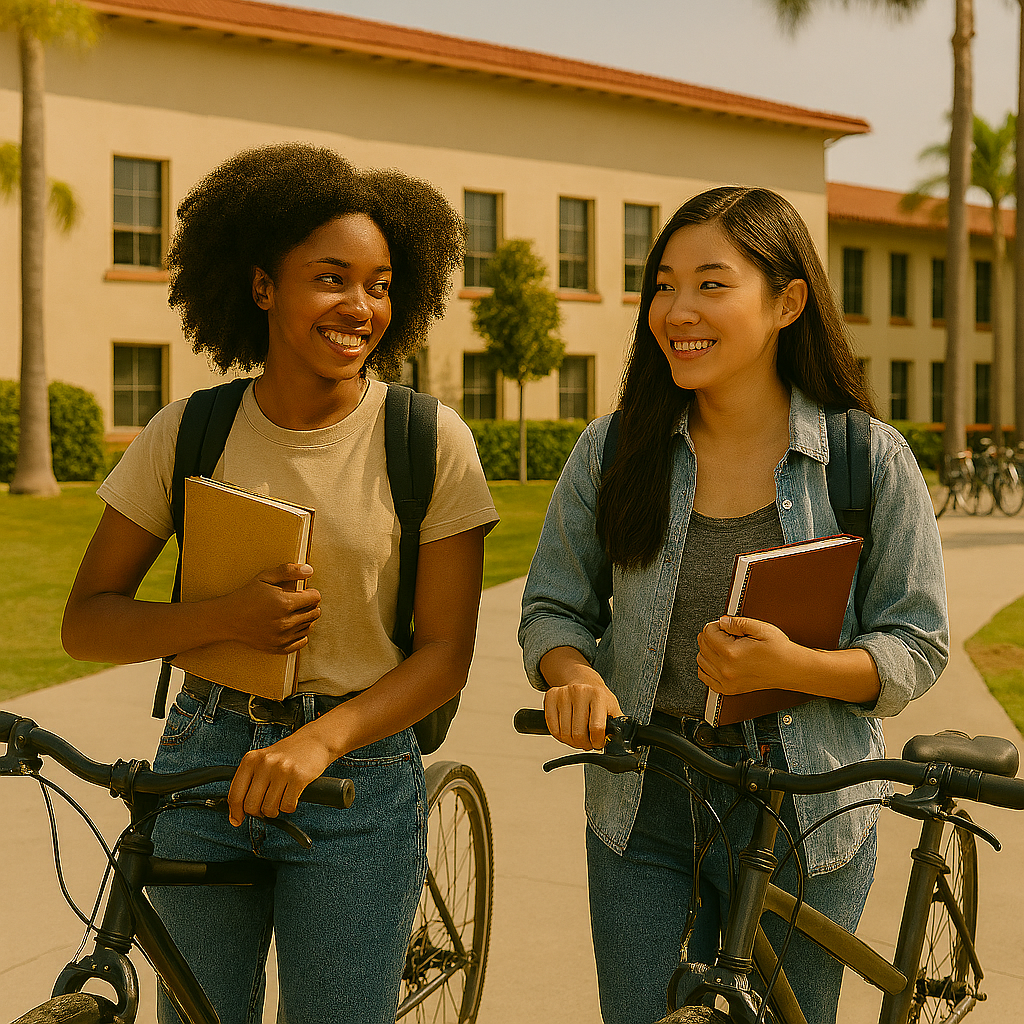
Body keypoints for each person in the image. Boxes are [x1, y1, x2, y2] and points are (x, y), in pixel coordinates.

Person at [62, 142, 498, 1024]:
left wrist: (319, 742)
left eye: (379, 283)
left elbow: (447, 653)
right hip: (202, 765)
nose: (361, 306)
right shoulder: (189, 431)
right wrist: (224, 618)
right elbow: (87, 623)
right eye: (331, 278)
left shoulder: (429, 439)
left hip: (359, 776)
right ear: (263, 286)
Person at [518, 186, 948, 1024]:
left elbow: (917, 642)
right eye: (665, 285)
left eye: (712, 284)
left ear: (787, 302)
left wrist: (796, 667)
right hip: (644, 802)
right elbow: (554, 611)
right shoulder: (611, 452)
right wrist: (572, 674)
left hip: (810, 809)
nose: (677, 310)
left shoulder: (865, 458)